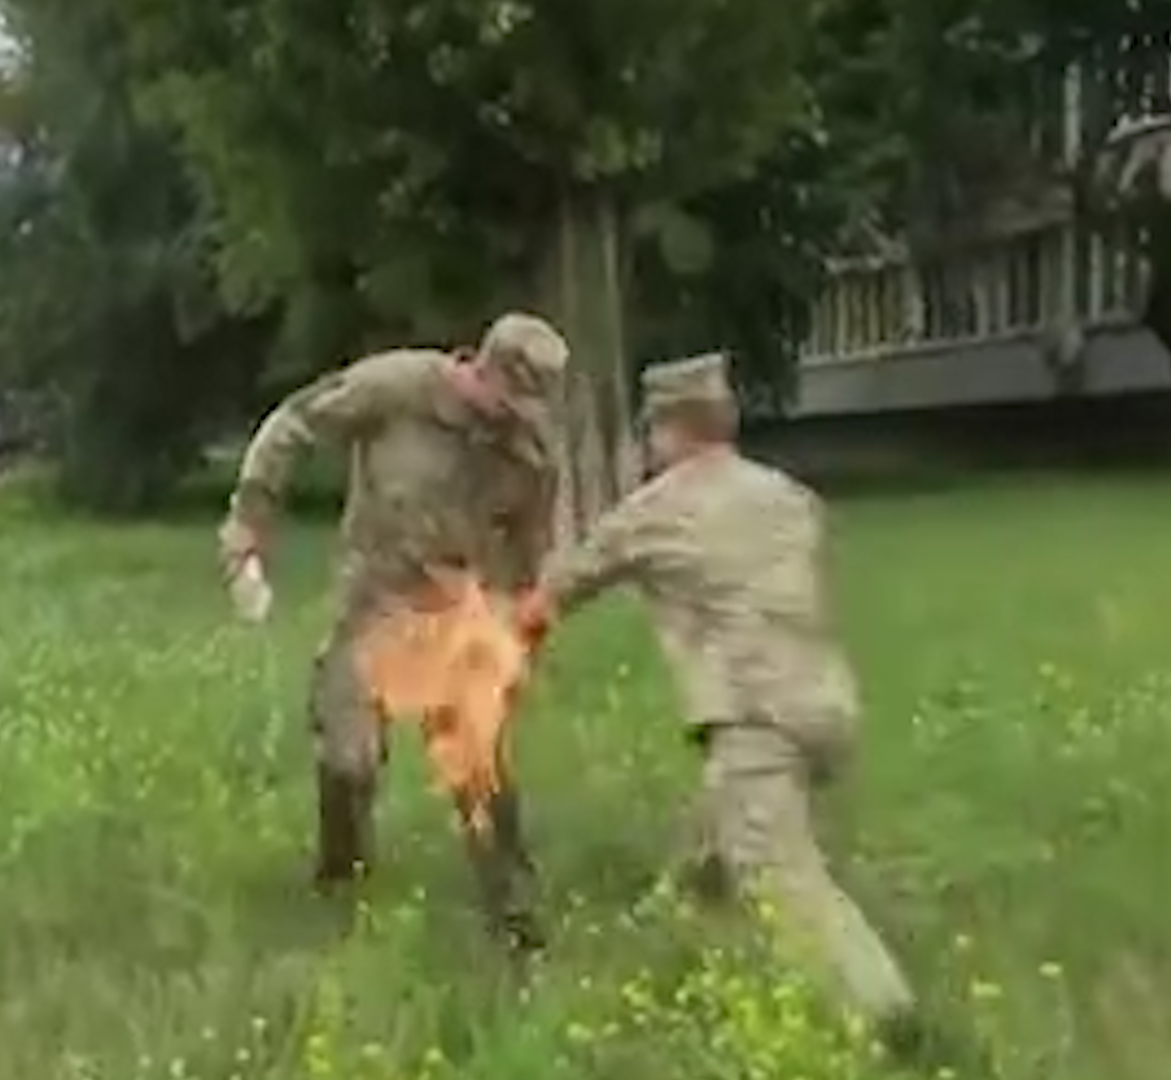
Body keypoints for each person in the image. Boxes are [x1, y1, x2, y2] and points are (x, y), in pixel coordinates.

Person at [513, 352, 934, 1053]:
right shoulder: (791, 495)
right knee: (719, 836)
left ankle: (889, 1017)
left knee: (777, 872)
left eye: (652, 433)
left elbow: (558, 590)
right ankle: (677, 938)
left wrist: (494, 641)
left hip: (753, 713)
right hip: (827, 704)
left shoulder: (657, 509)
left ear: (669, 430)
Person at [217, 312, 568, 951]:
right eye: (505, 403)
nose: (509, 420)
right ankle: (340, 884)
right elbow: (294, 425)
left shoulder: (528, 453)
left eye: (524, 410)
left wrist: (517, 638)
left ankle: (514, 915)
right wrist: (250, 519)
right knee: (347, 757)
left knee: (479, 759)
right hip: (372, 605)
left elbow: (528, 552)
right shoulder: (397, 387)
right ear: (480, 370)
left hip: (459, 616)